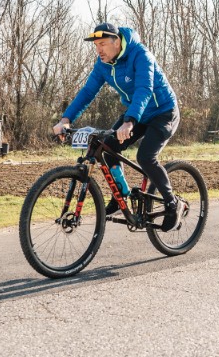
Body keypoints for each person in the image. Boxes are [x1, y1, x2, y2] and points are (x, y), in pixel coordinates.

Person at [52, 22, 184, 231]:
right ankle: (120, 193)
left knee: (145, 157)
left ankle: (172, 203)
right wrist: (66, 119)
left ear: (117, 42)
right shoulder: (103, 64)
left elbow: (144, 89)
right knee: (107, 147)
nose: (99, 50)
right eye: (96, 45)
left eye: (103, 44)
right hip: (137, 113)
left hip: (163, 112)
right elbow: (88, 92)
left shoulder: (141, 55)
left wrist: (129, 121)